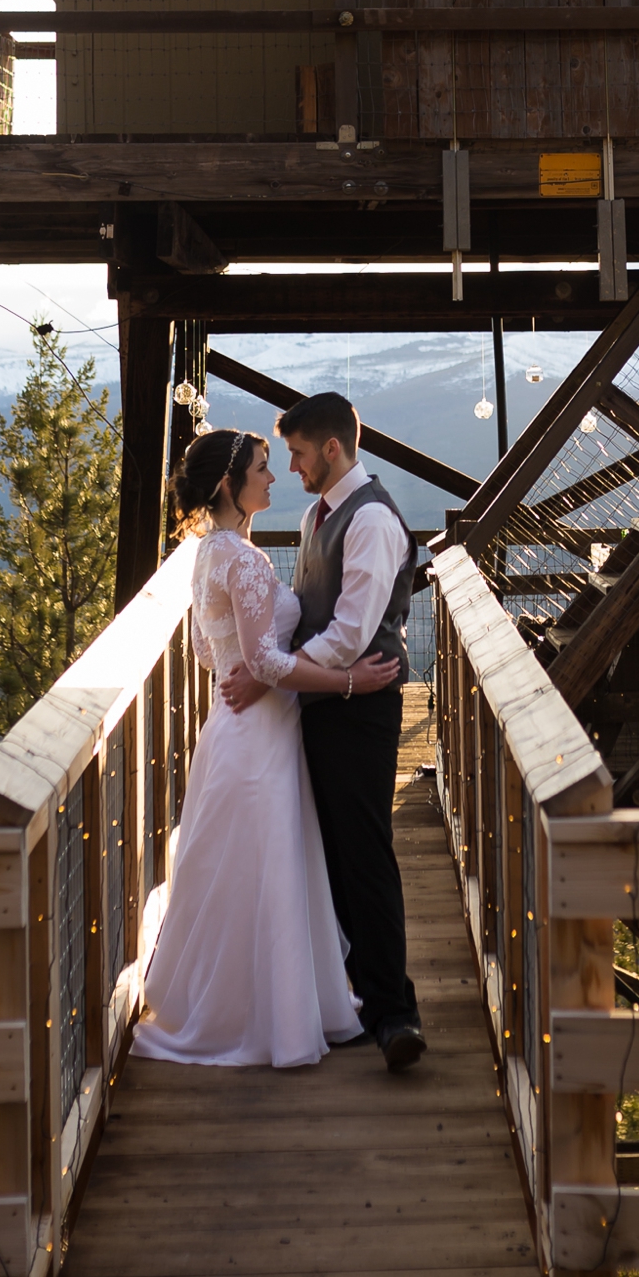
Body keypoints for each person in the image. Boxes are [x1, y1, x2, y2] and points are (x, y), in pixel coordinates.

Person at [133, 428, 399, 1069]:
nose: (273, 477)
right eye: (261, 469)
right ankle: (270, 1015)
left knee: (242, 871)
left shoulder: (205, 554)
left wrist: (248, 662)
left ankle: (244, 1004)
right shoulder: (246, 561)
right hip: (262, 737)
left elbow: (210, 653)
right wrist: (347, 680)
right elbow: (267, 665)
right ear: (231, 485)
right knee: (269, 867)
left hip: (231, 732)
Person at [219, 390, 426, 1073]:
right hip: (326, 704)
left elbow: (348, 634)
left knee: (363, 852)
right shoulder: (319, 514)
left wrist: (271, 675)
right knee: (338, 854)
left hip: (359, 707)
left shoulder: (369, 521)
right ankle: (374, 994)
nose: (294, 467)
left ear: (331, 448)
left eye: (300, 454)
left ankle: (396, 1014)